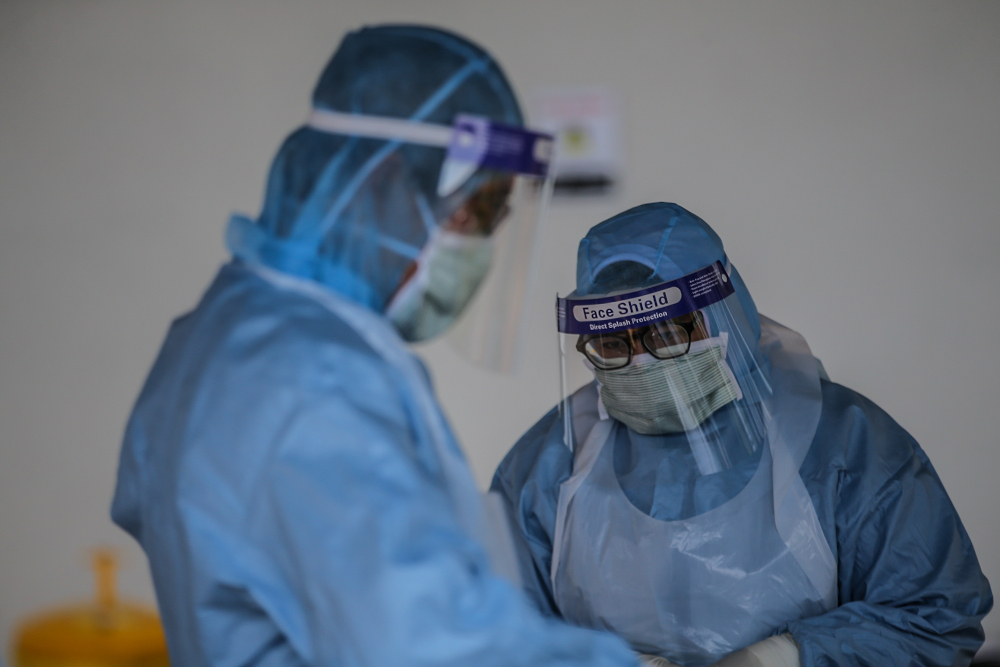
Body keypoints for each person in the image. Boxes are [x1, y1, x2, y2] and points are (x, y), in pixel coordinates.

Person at [111, 25, 639, 666]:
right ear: (383, 183)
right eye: (471, 213)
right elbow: (432, 649)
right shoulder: (314, 382)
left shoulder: (223, 332)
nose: (478, 250)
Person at [492, 202, 993, 667]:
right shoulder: (548, 464)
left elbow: (934, 616)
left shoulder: (846, 445)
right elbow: (492, 628)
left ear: (722, 316)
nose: (641, 361)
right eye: (611, 343)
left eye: (668, 332)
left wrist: (779, 657)